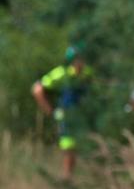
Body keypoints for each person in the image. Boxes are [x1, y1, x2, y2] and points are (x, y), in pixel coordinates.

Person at [31, 45, 93, 180]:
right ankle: (67, 179)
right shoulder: (61, 74)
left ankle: (86, 179)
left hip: (85, 117)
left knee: (90, 147)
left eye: (81, 58)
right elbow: (37, 89)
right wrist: (50, 111)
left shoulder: (88, 73)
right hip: (67, 117)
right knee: (68, 147)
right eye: (76, 59)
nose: (79, 62)